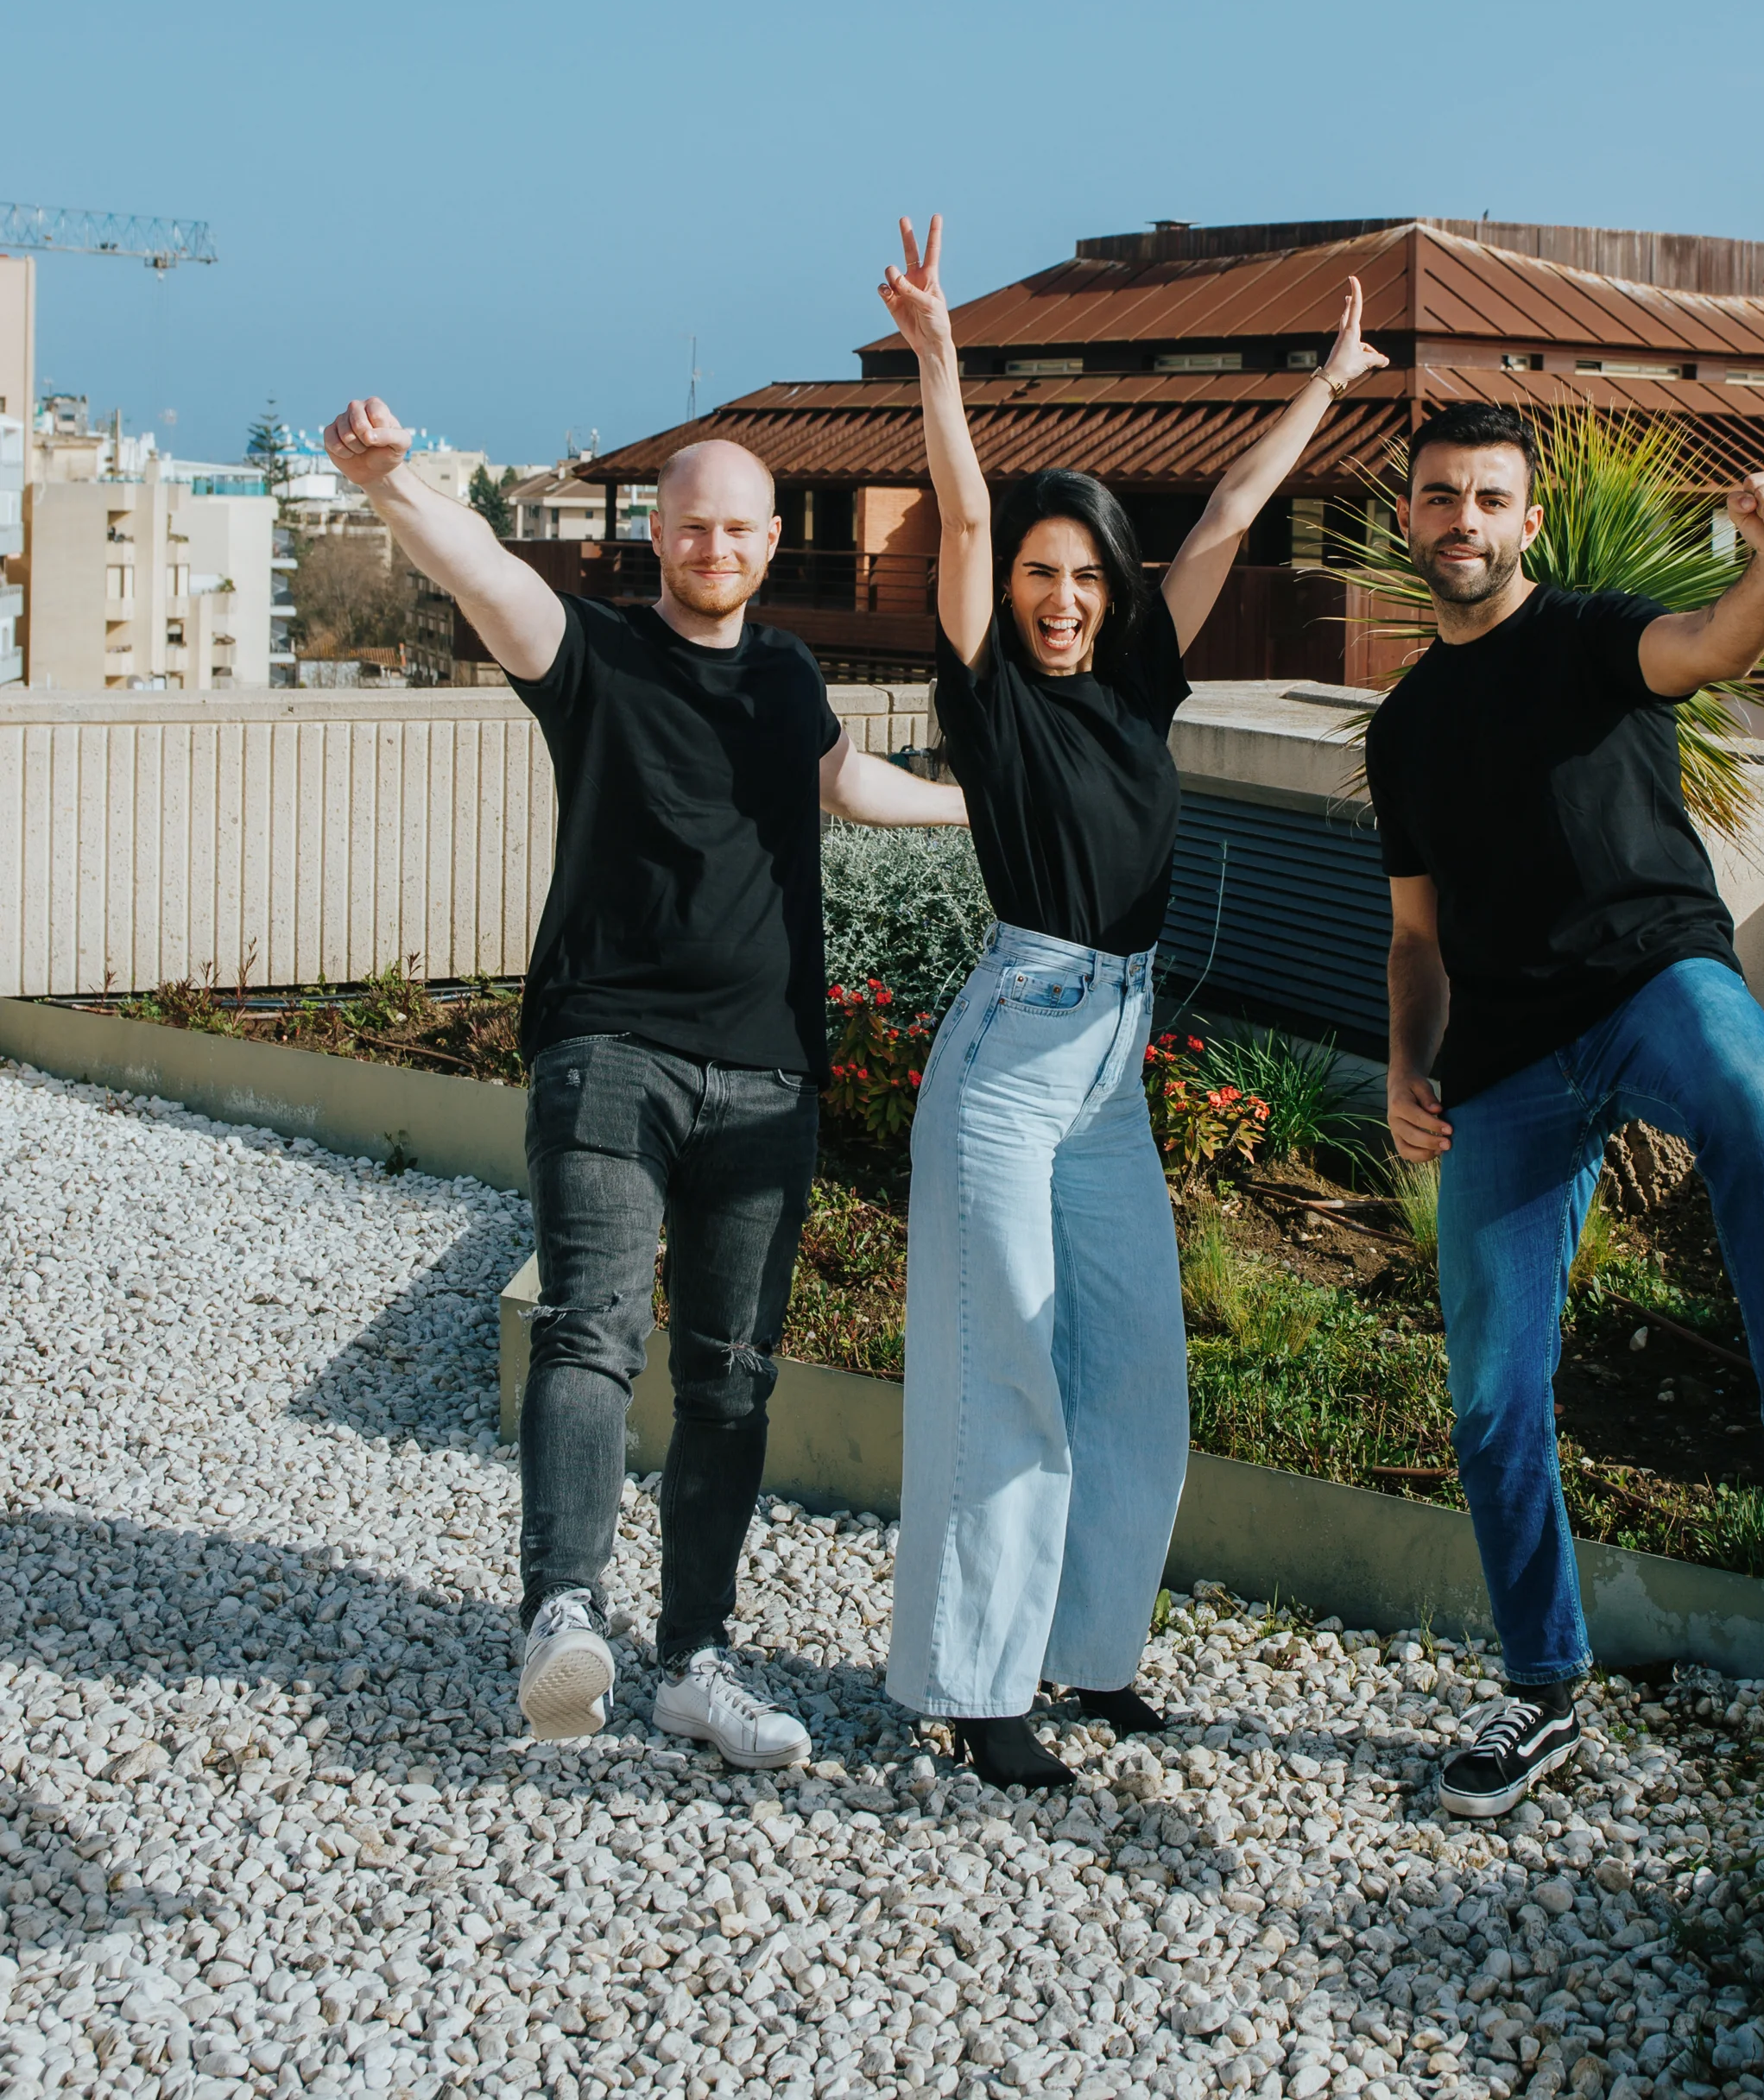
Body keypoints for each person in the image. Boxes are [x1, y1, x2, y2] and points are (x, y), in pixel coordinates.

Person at [321, 399, 968, 1766]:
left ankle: (695, 1663)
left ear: (770, 540)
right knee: (588, 1331)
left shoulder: (790, 676)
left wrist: (986, 803)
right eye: (691, 523)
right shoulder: (594, 650)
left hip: (768, 1069)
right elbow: (487, 573)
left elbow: (846, 781)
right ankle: (563, 1612)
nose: (713, 543)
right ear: (656, 535)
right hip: (608, 1046)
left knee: (733, 1379)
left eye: (738, 526)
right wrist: (396, 485)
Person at [870, 216, 1388, 1787]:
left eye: (1085, 575)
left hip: (1108, 1065)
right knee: (1006, 1368)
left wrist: (1326, 381)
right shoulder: (992, 695)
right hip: (1011, 1056)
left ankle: (1087, 1653)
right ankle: (978, 1688)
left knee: (1135, 1371)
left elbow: (1229, 507)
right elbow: (959, 510)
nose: (1064, 599)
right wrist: (941, 355)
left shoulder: (1137, 685)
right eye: (1042, 574)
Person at [1367, 399, 1764, 1821]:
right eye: (1438, 498)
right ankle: (1541, 1690)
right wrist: (1407, 1065)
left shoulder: (1593, 631)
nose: (1461, 521)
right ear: (1408, 519)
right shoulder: (1402, 728)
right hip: (1507, 1063)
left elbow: (1715, 644)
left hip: (1654, 977)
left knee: (1750, 1100)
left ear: (1525, 521)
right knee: (1488, 1398)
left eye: (1488, 498)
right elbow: (1417, 939)